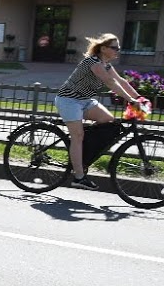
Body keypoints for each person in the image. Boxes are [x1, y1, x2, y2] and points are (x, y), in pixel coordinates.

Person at [52, 33, 149, 190]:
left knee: (109, 122)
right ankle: (78, 177)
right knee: (77, 136)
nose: (118, 50)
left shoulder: (107, 65)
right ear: (103, 49)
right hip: (69, 100)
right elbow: (110, 82)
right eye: (114, 48)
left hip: (85, 101)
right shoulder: (92, 62)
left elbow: (122, 82)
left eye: (119, 48)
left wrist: (139, 98)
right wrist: (131, 101)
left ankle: (83, 148)